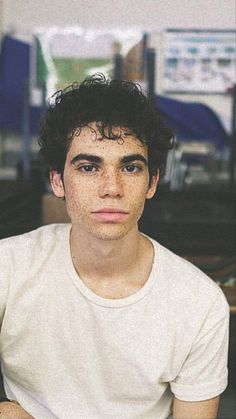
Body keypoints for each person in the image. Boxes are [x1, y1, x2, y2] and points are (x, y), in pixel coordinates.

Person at [0, 74, 229, 419]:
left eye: (131, 167)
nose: (112, 187)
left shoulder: (199, 304)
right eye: (89, 167)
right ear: (57, 180)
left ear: (151, 183)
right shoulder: (9, 267)